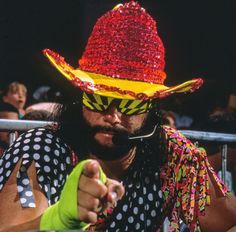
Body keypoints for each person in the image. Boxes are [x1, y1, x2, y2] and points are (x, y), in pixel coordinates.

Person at [0, 2, 235, 232]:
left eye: (129, 104)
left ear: (150, 109)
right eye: (99, 99)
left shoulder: (174, 154)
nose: (112, 115)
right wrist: (59, 220)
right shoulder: (41, 147)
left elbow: (227, 220)